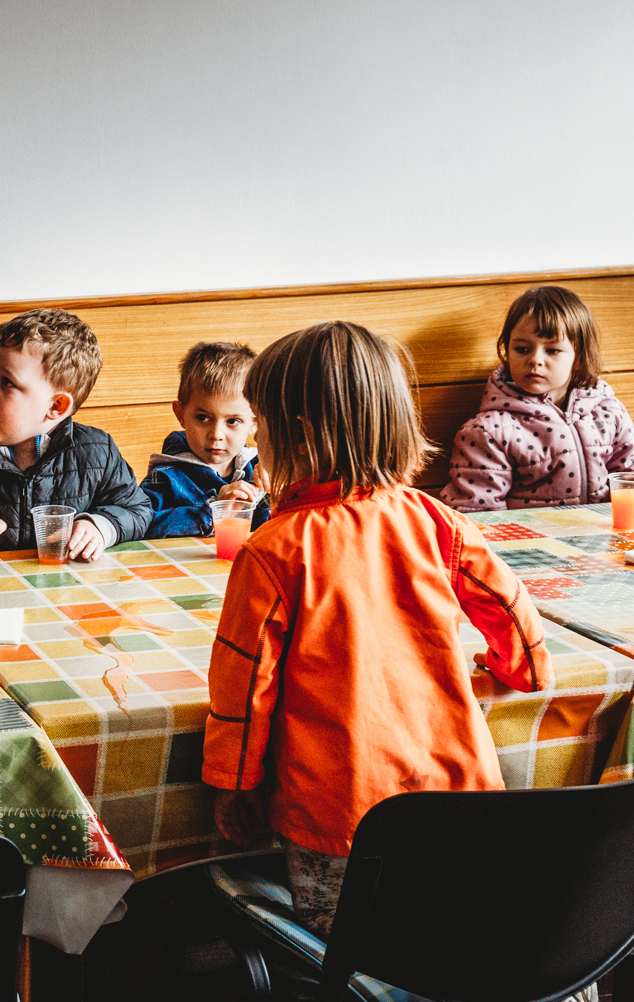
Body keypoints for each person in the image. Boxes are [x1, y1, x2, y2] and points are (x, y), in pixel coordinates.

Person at [204, 321, 553, 939]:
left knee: (361, 944)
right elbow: (510, 605)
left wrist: (234, 786)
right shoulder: (434, 519)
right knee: (444, 933)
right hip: (457, 796)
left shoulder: (274, 548)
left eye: (261, 421)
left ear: (296, 433)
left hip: (338, 811)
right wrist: (522, 670)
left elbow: (242, 683)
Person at [0, 307, 151, 559]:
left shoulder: (98, 451)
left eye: (7, 382)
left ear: (56, 406)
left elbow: (137, 510)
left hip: (65, 589)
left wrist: (99, 526)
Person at [442, 285, 634, 511]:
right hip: (528, 544)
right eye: (522, 349)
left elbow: (628, 476)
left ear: (579, 357)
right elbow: (477, 515)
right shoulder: (489, 431)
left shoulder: (608, 412)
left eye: (552, 350)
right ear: (507, 352)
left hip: (605, 539)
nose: (535, 360)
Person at [142, 341, 270, 538]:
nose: (216, 434)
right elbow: (142, 526)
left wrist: (280, 494)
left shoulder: (258, 469)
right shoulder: (166, 476)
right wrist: (213, 510)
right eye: (202, 418)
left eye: (233, 421)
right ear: (181, 414)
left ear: (255, 421)